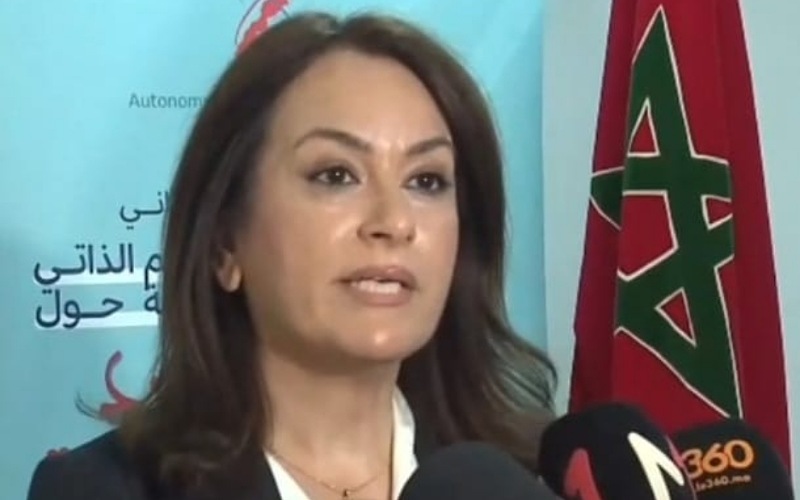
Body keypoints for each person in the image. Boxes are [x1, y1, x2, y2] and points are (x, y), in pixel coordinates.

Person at [27, 10, 556, 500]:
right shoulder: (104, 489)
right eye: (336, 175)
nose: (394, 222)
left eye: (427, 181)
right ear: (225, 242)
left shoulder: (523, 478)